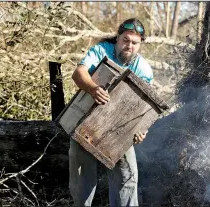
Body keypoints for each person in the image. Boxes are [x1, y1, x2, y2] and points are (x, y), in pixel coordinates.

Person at [70, 18, 153, 206]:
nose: (129, 45)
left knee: (128, 177)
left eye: (134, 42)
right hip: (87, 123)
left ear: (140, 44)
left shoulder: (144, 69)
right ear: (118, 38)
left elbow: (145, 108)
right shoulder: (101, 51)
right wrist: (93, 88)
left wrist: (142, 130)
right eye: (125, 39)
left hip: (119, 131)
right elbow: (78, 74)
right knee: (82, 185)